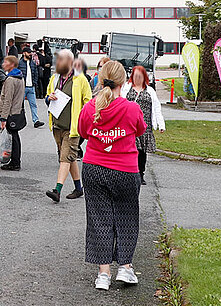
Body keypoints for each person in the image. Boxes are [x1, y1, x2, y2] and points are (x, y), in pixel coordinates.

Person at [77, 60, 146, 291]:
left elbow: (83, 132)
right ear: (124, 81)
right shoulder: (131, 107)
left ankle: (103, 273)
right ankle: (125, 268)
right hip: (125, 169)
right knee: (126, 217)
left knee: (99, 219)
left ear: (99, 78)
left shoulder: (90, 108)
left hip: (94, 168)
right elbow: (140, 129)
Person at [45, 49, 92, 203]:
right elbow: (47, 96)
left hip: (73, 129)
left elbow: (88, 102)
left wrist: (83, 122)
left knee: (64, 158)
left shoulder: (80, 80)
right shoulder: (54, 78)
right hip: (57, 125)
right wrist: (48, 98)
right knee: (70, 157)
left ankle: (57, 190)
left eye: (61, 60)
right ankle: (79, 188)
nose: (57, 63)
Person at [122, 65, 166, 185]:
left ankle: (141, 173)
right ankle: (132, 172)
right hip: (130, 125)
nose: (137, 79)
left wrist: (161, 124)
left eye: (139, 76)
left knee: (142, 152)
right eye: (135, 76)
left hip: (144, 126)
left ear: (144, 77)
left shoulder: (150, 91)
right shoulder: (126, 88)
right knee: (132, 150)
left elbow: (157, 108)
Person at [0, 55, 26, 171]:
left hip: (11, 113)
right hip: (17, 111)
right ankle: (15, 161)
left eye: (5, 62)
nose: (3, 64)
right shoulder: (20, 77)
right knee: (15, 137)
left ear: (12, 64)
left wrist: (3, 118)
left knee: (12, 138)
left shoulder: (10, 79)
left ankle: (15, 163)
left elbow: (7, 99)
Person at [18, 47, 42, 128]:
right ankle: (21, 121)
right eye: (28, 53)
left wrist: (34, 83)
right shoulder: (19, 63)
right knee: (20, 105)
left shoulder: (33, 63)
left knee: (33, 104)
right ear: (24, 53)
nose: (30, 54)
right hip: (22, 87)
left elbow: (36, 74)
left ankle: (36, 121)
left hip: (31, 87)